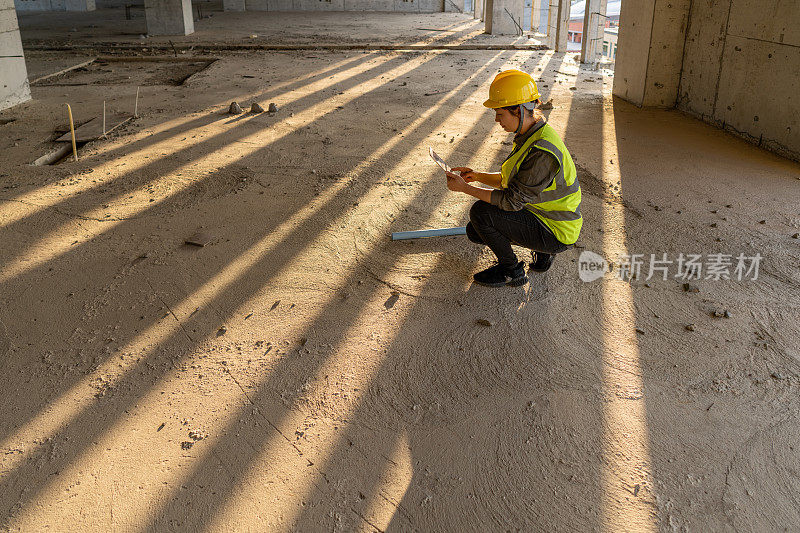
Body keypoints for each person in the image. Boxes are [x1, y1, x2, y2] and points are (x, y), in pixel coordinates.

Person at [444, 69, 582, 287]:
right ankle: (542, 252)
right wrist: (476, 176)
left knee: (480, 213)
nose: (497, 120)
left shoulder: (541, 151)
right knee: (475, 231)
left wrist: (464, 189)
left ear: (518, 110)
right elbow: (514, 182)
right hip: (543, 214)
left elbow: (511, 200)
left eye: (500, 114)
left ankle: (512, 271)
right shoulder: (534, 133)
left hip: (556, 230)